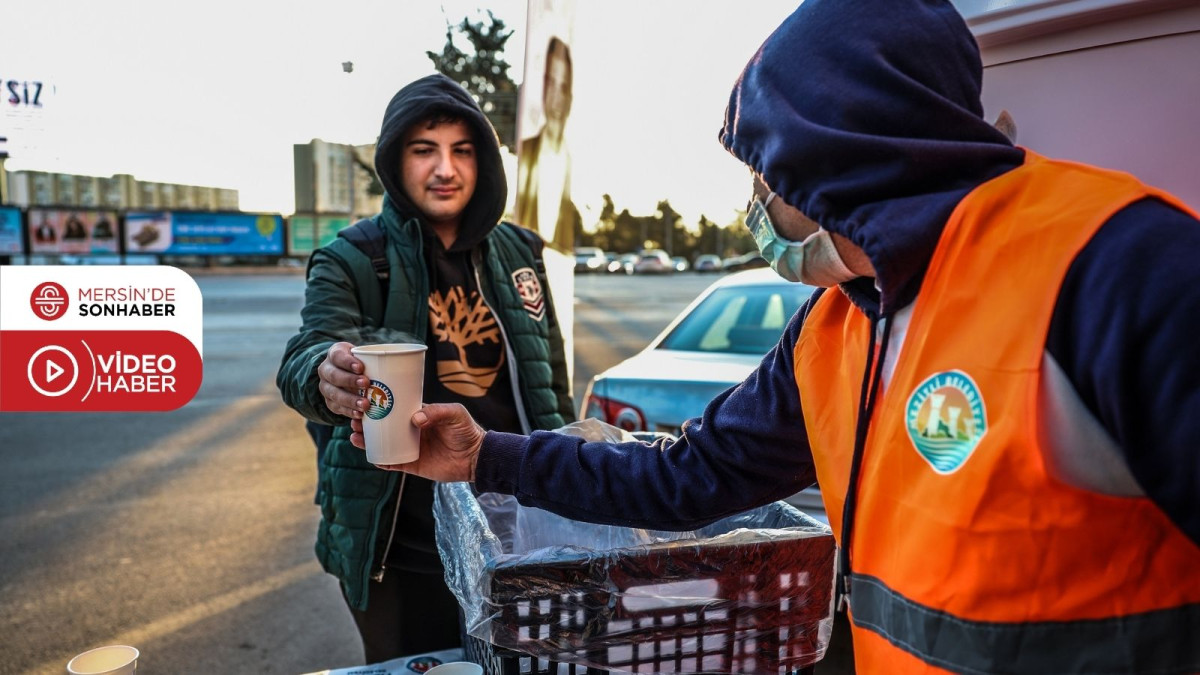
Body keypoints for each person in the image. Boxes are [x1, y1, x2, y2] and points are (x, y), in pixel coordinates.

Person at [352, 1, 1200, 673]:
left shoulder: (1121, 267)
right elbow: (683, 477)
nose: (757, 200)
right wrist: (483, 456)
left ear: (836, 147)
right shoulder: (836, 326)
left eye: (766, 167)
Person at [277, 73, 575, 664]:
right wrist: (325, 375)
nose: (445, 168)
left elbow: (552, 383)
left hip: (519, 539)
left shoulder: (523, 253)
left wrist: (569, 489)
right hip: (400, 548)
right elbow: (304, 355)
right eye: (424, 150)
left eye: (462, 150)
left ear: (485, 160)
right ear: (395, 161)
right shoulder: (354, 257)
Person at [515, 36, 575, 252]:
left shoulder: (571, 163)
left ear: (570, 96)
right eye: (550, 82)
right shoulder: (525, 153)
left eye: (562, 86)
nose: (555, 96)